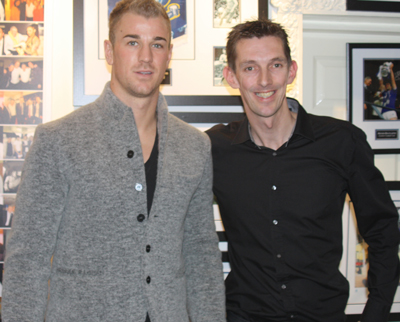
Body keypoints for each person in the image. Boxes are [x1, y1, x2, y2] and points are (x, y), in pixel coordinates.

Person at [2, 0, 225, 321]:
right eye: (132, 42)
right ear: (109, 52)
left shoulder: (195, 146)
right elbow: (28, 257)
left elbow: (201, 252)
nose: (146, 57)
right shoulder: (58, 140)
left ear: (168, 55)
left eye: (157, 44)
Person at [206, 19, 399, 322]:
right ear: (231, 76)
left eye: (275, 65)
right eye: (250, 67)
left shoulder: (341, 142)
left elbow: (383, 230)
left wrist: (376, 313)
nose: (265, 80)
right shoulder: (213, 149)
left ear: (291, 70)